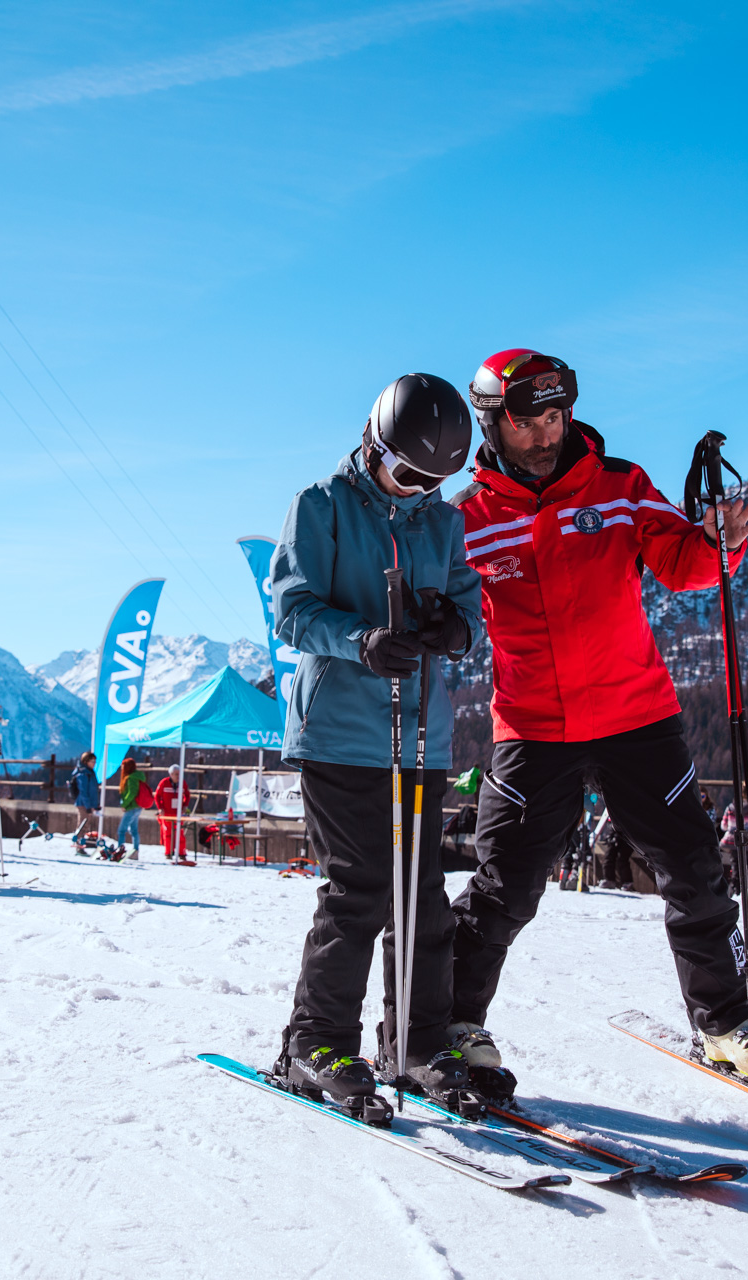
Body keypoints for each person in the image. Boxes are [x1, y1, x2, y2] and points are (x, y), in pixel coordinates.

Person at [444, 348, 748, 1102]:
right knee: (504, 888)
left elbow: (685, 565)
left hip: (637, 716)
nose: (547, 434)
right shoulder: (465, 519)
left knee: (694, 871)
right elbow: (445, 614)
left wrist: (720, 542)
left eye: (557, 416)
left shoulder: (621, 485)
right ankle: (453, 1023)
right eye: (528, 423)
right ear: (493, 424)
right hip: (533, 728)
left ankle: (727, 1023)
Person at [269, 371, 483, 1114]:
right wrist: (361, 640)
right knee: (358, 890)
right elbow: (292, 610)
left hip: (420, 734)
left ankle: (417, 1044)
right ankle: (315, 1043)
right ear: (373, 443)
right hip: (338, 734)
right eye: (407, 474)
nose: (418, 490)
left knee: (422, 899)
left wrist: (454, 629)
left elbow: (468, 604)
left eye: (434, 480)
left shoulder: (442, 522)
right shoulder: (321, 505)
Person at [114, 757, 150, 854]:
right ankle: (135, 850)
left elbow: (132, 793)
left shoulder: (131, 778)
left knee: (121, 830)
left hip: (131, 807)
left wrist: (124, 804)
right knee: (134, 830)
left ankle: (120, 850)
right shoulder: (137, 777)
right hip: (137, 807)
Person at [154, 764, 185, 863]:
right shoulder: (164, 783)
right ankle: (168, 853)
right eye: (176, 774)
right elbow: (157, 796)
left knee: (179, 833)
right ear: (171, 774)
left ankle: (181, 853)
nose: (178, 776)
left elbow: (187, 795)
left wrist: (185, 806)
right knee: (168, 833)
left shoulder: (182, 783)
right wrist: (160, 808)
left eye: (179, 774)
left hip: (178, 813)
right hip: (167, 813)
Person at [69, 752, 100, 849]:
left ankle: (80, 844)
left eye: (95, 761)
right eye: (92, 761)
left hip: (88, 804)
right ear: (86, 761)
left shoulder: (89, 772)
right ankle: (78, 845)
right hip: (83, 803)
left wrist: (95, 804)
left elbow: (92, 790)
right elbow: (83, 791)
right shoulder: (83, 773)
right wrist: (88, 806)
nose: (94, 763)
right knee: (82, 825)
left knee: (85, 825)